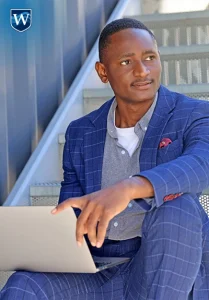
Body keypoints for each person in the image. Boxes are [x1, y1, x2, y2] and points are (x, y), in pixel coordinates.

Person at [1, 18, 209, 300]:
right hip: (99, 269)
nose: (142, 70)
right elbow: (72, 210)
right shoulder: (81, 132)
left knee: (179, 207)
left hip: (160, 268)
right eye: (126, 62)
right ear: (102, 72)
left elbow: (201, 164)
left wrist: (129, 187)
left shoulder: (192, 114)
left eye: (150, 58)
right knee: (23, 285)